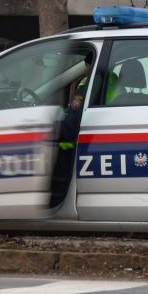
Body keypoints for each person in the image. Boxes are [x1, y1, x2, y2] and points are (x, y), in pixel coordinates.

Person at [51, 53, 93, 207]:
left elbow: (70, 127)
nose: (84, 72)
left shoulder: (87, 84)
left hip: (71, 151)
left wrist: (50, 128)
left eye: (87, 66)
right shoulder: (113, 80)